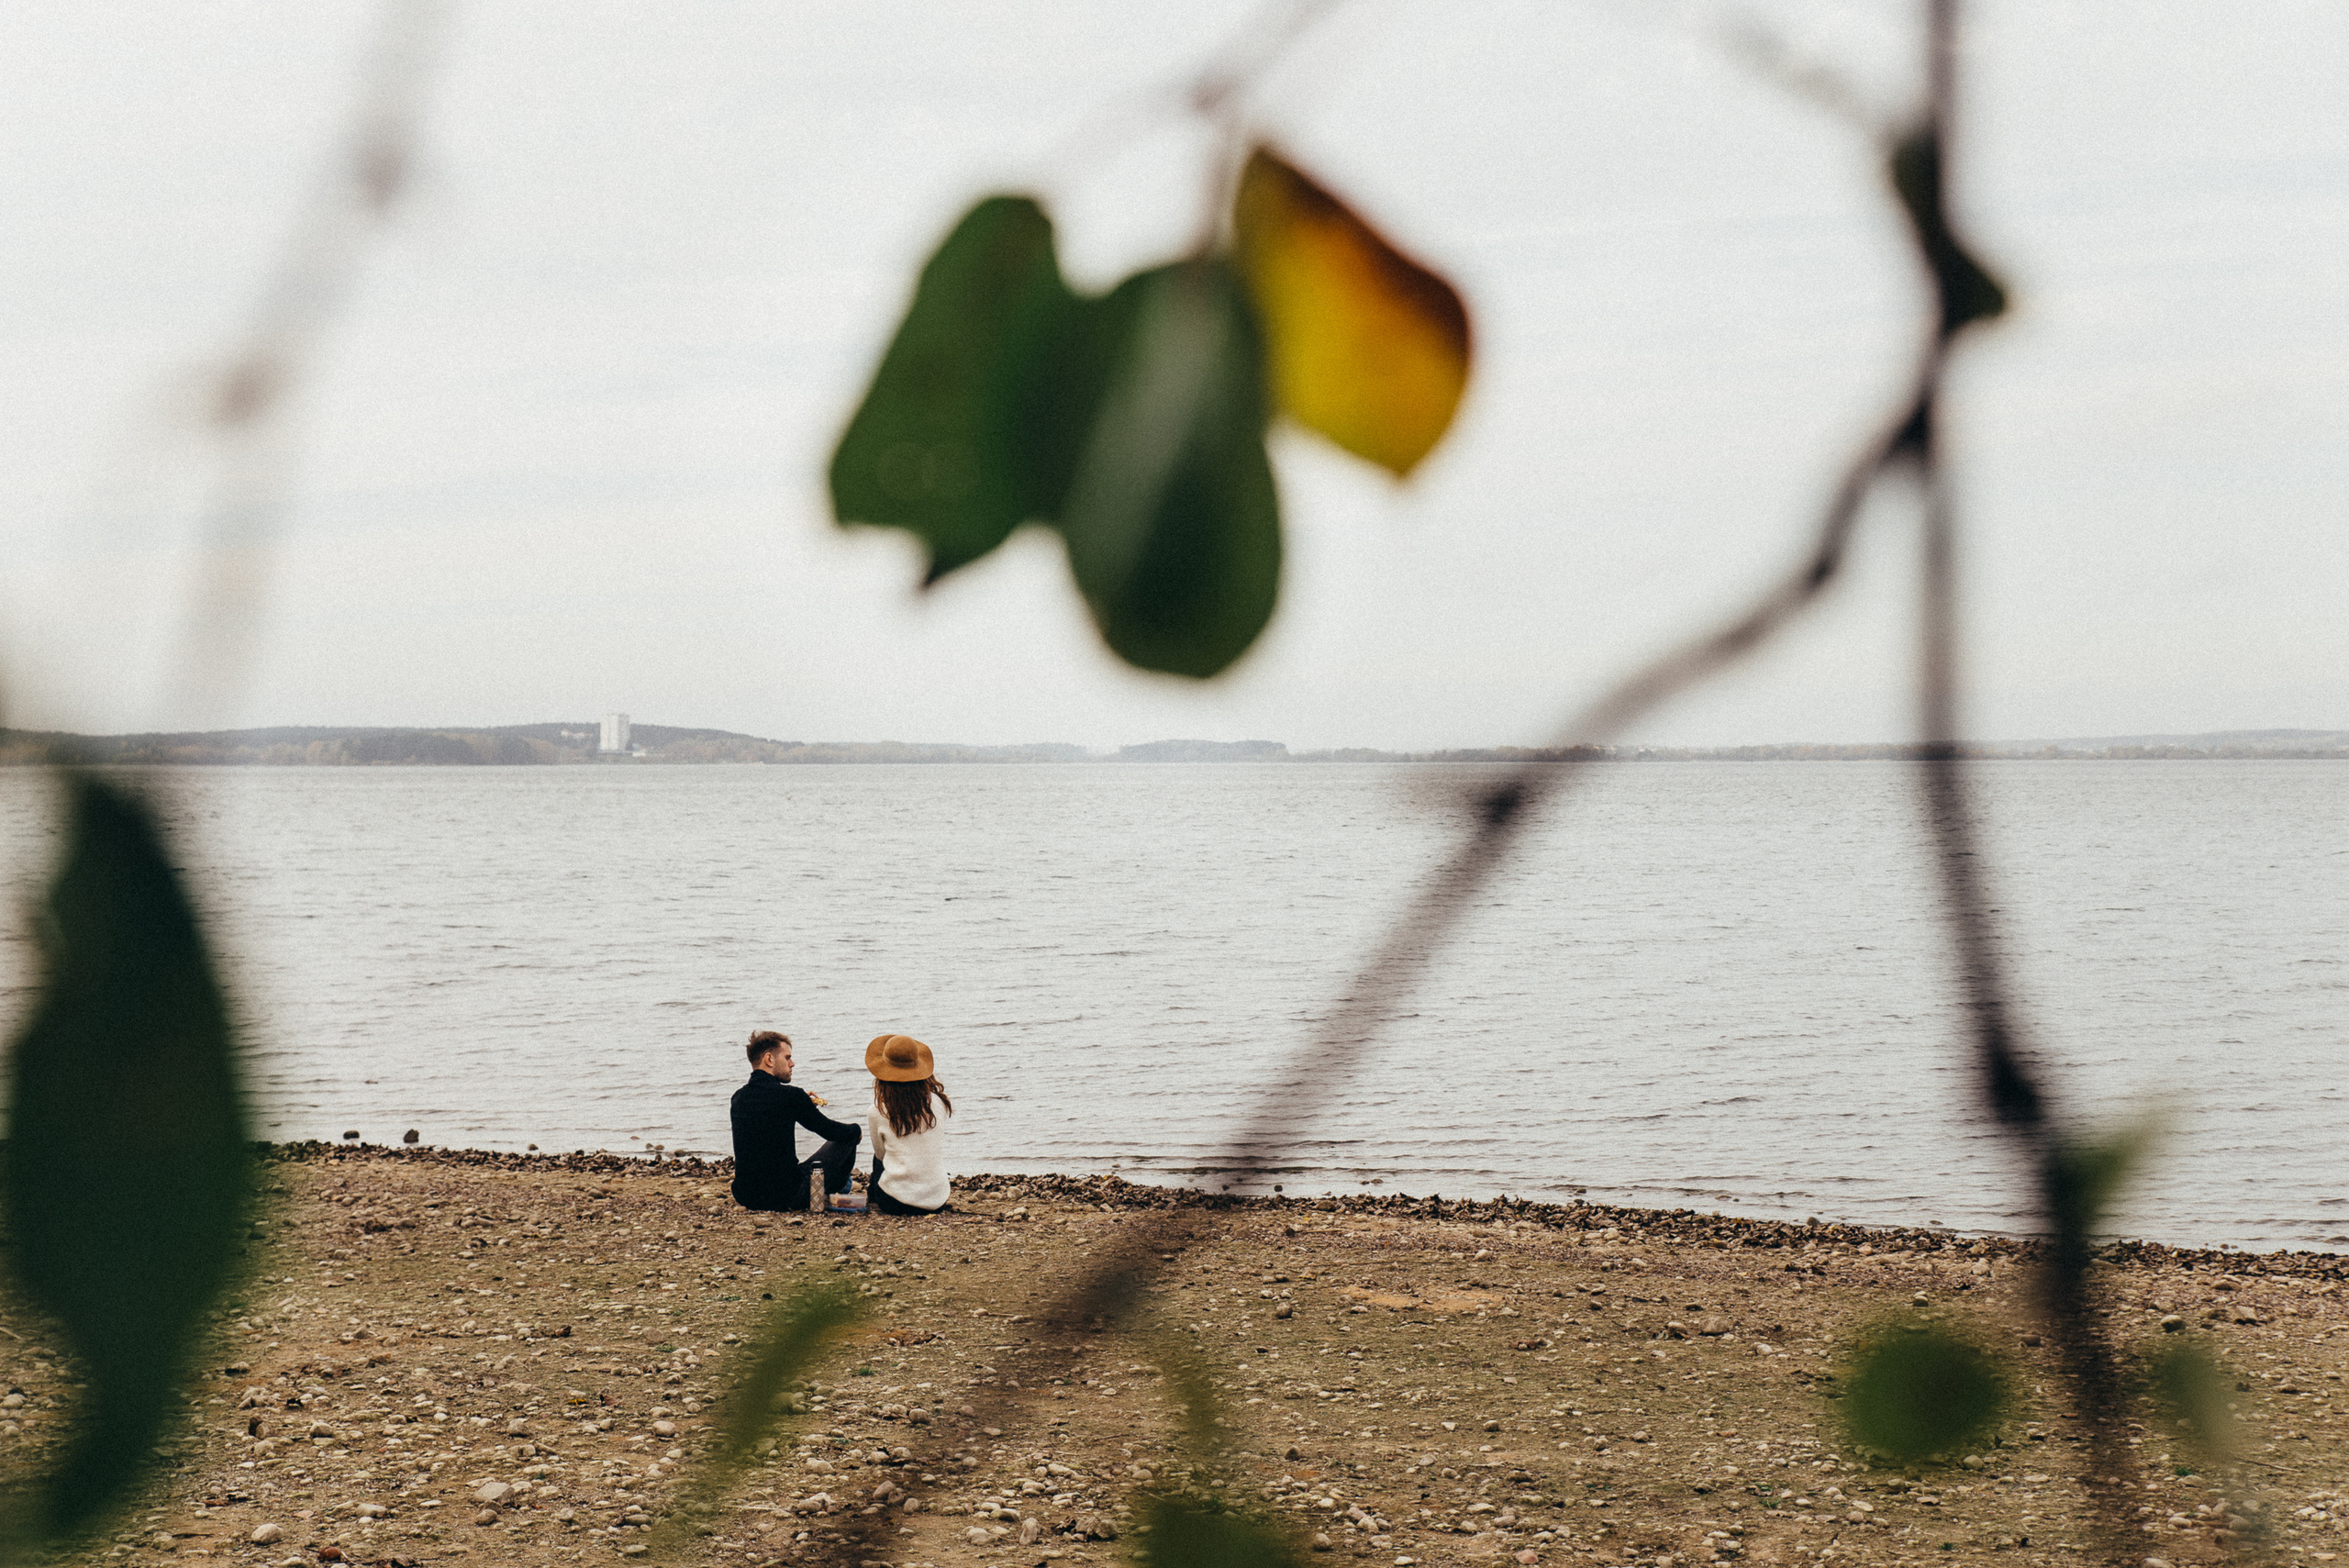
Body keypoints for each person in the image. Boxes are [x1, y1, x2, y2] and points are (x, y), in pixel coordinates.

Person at [730, 1030, 862, 1213]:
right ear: (769, 1059)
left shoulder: (738, 1098)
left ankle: (842, 1186)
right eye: (787, 1057)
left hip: (746, 1195)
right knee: (848, 1137)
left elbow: (767, 1121)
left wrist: (801, 1104)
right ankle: (839, 1188)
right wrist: (856, 1129)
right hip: (786, 1195)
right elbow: (830, 1131)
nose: (792, 1063)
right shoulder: (791, 1096)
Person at [863, 1033, 953, 1217]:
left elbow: (881, 1155)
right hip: (938, 1199)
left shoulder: (877, 1111)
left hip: (895, 1202)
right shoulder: (939, 1102)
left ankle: (872, 1197)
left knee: (879, 1157)